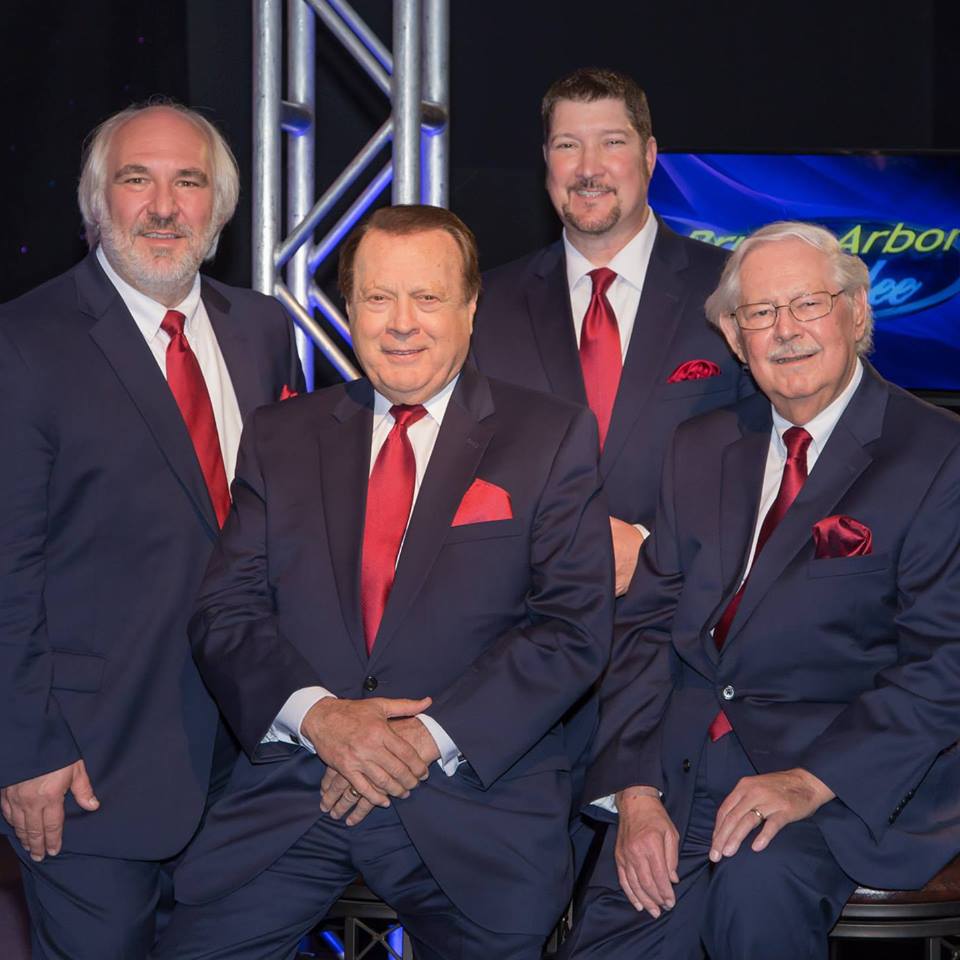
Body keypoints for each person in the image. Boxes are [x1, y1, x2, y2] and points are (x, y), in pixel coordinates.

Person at [151, 204, 614, 960]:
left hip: (473, 805)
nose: (402, 323)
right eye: (377, 298)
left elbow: (571, 629)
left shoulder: (550, 436)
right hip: (299, 793)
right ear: (349, 308)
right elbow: (225, 612)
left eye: (427, 297)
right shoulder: (281, 435)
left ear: (470, 307)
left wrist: (420, 740)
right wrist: (324, 721)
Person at [561, 221, 960, 960]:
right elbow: (643, 630)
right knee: (613, 935)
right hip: (682, 772)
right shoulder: (700, 447)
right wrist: (636, 791)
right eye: (761, 313)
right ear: (735, 340)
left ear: (857, 313)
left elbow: (946, 663)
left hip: (839, 780)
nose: (786, 330)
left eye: (808, 304)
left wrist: (811, 780)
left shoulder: (938, 455)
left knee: (753, 899)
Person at [0, 100, 304, 959]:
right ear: (98, 201)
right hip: (86, 772)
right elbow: (6, 568)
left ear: (221, 207)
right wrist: (23, 752)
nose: (164, 207)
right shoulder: (22, 343)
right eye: (138, 179)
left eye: (189, 182)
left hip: (247, 772)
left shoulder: (265, 331)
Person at [473, 67, 752, 598]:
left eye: (612, 142)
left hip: (685, 614)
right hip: (526, 617)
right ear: (546, 160)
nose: (588, 168)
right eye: (568, 145)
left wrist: (652, 545)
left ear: (649, 155)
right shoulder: (486, 306)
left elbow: (770, 451)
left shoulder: (732, 287)